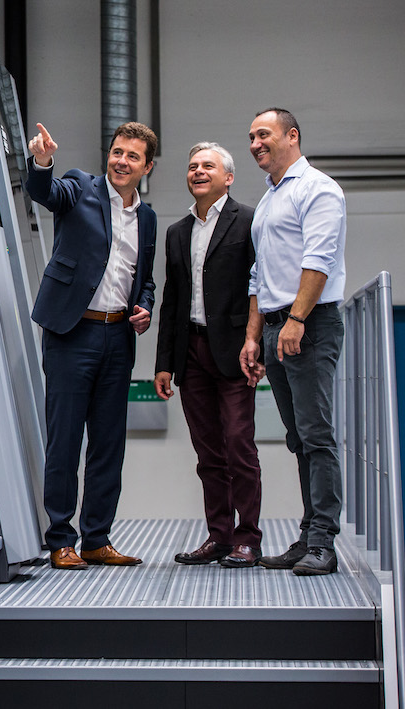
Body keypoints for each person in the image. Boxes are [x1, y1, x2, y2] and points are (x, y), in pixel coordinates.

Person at [25, 121, 157, 570]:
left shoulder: (148, 217)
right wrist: (43, 162)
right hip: (71, 332)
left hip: (118, 336)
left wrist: (144, 306)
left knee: (108, 443)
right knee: (65, 440)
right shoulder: (80, 187)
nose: (121, 161)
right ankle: (60, 538)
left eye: (132, 156)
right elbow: (45, 193)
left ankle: (97, 538)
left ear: (147, 166)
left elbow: (146, 280)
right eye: (117, 152)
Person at [239, 108, 347, 576]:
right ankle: (308, 536)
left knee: (317, 437)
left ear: (292, 136)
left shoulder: (317, 188)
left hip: (309, 324)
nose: (255, 143)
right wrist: (253, 335)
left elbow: (318, 259)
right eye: (251, 137)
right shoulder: (268, 200)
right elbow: (259, 273)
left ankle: (324, 541)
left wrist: (297, 318)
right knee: (299, 438)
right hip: (277, 327)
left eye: (263, 134)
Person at [154, 142, 263, 568]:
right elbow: (171, 299)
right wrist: (165, 362)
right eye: (192, 165)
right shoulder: (177, 232)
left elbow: (261, 286)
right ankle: (219, 537)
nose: (198, 171)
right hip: (191, 353)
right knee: (208, 453)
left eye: (208, 166)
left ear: (228, 177)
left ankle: (248, 538)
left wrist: (258, 341)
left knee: (238, 445)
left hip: (236, 350)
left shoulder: (249, 221)